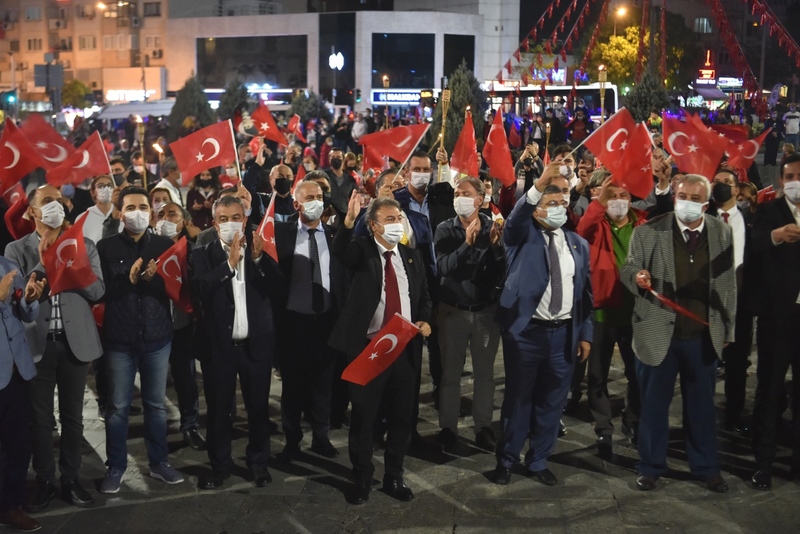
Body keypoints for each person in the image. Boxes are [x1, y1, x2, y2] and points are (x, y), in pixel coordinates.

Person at [621, 174, 736, 493]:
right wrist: (638, 277)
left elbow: (727, 284)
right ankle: (650, 466)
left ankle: (705, 467)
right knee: (654, 406)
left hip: (702, 337)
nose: (687, 201)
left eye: (695, 197)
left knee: (701, 408)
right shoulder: (648, 232)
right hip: (658, 335)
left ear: (706, 202)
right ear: (674, 196)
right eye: (682, 195)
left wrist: (729, 328)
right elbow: (628, 269)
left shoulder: (721, 232)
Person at [5, 185, 105, 512]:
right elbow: (14, 299)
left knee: (74, 417)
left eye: (59, 201)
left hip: (74, 343)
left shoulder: (84, 245)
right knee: (40, 419)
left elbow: (97, 291)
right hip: (36, 345)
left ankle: (71, 478)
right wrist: (44, 260)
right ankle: (46, 479)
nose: (55, 207)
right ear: (32, 211)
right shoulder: (16, 250)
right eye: (46, 202)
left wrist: (72, 263)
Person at [330, 194, 432, 505]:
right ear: (374, 226)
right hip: (369, 349)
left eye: (399, 218)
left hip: (404, 351)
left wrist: (425, 321)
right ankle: (362, 477)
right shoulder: (361, 251)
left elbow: (424, 297)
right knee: (364, 417)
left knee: (402, 417)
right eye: (390, 219)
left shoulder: (412, 257)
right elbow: (340, 254)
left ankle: (394, 476)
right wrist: (347, 223)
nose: (397, 224)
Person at [493, 184, 592, 486]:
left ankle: (538, 460)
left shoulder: (577, 244)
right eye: (551, 203)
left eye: (563, 202)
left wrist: (585, 333)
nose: (559, 208)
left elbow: (585, 295)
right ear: (537, 209)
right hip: (526, 333)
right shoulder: (521, 237)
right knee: (519, 400)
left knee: (552, 403)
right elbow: (516, 218)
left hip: (563, 335)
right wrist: (536, 188)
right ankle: (507, 459)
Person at [191, 195, 284, 490]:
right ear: (215, 224)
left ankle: (258, 463)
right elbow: (198, 291)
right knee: (219, 411)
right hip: (219, 347)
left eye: (236, 217)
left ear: (244, 220)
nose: (231, 223)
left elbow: (279, 290)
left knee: (258, 409)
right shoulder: (202, 254)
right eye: (223, 219)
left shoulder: (261, 250)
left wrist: (256, 259)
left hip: (256, 346)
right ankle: (220, 466)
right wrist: (228, 265)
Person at [96, 186, 183, 494]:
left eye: (144, 207)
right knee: (118, 407)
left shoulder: (164, 244)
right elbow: (100, 292)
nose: (139, 213)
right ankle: (116, 466)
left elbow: (177, 287)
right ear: (121, 213)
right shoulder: (105, 248)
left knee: (156, 406)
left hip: (157, 338)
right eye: (131, 207)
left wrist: (156, 279)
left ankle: (159, 463)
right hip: (119, 340)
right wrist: (129, 280)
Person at [274, 181, 348, 462]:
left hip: (326, 321)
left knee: (322, 386)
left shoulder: (334, 236)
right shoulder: (282, 235)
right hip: (293, 323)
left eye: (320, 197)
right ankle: (292, 441)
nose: (317, 201)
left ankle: (321, 437)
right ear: (297, 204)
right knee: (292, 387)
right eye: (310, 197)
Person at [576, 173, 647, 456]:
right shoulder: (597, 223)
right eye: (613, 195)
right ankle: (603, 429)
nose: (618, 201)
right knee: (596, 377)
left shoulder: (643, 224)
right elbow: (582, 229)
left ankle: (634, 421)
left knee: (637, 375)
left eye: (623, 195)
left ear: (631, 199)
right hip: (600, 313)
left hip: (635, 313)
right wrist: (599, 203)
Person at [434, 178, 505, 452]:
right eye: (457, 193)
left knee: (484, 375)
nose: (460, 198)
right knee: (450, 375)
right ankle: (448, 428)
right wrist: (466, 244)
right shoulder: (444, 229)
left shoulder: (493, 228)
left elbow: (501, 272)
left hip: (485, 314)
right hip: (453, 313)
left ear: (480, 199)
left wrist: (497, 248)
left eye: (466, 193)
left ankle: (483, 427)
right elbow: (444, 268)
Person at [749, 153, 800, 490]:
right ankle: (763, 464)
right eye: (790, 176)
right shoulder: (768, 212)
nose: (794, 181)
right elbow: (752, 248)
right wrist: (775, 236)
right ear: (781, 181)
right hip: (778, 318)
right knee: (769, 389)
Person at [153, 202, 206, 451]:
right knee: (154, 383)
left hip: (183, 326)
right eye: (160, 214)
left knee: (186, 379)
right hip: (153, 327)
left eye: (171, 214)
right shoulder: (146, 251)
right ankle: (155, 432)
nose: (165, 218)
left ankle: (190, 426)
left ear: (183, 221)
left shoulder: (194, 252)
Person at [0, 255, 43, 533]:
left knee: (18, 443)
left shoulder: (6, 264)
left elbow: (26, 315)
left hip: (16, 370)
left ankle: (11, 505)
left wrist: (29, 299)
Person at [709, 168, 753, 435]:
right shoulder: (700, 219)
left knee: (737, 364)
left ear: (737, 190)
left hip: (741, 303)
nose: (722, 186)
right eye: (717, 182)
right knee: (705, 362)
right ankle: (699, 415)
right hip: (707, 302)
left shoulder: (753, 221)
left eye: (728, 183)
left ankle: (733, 415)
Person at [77, 175, 119, 245]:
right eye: (100, 186)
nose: (106, 189)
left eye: (109, 186)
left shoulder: (121, 215)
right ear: (93, 192)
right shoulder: (82, 218)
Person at [326, 148, 358, 220]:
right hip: (326, 216)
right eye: (333, 157)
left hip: (344, 216)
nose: (335, 159)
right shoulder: (324, 177)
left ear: (343, 160)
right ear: (329, 159)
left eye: (338, 157)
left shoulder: (350, 180)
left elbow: (354, 200)